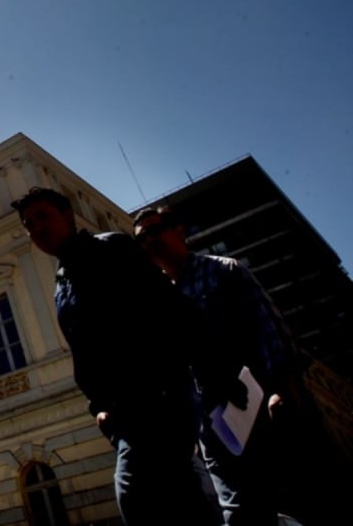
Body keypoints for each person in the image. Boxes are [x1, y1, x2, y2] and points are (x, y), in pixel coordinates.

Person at [11, 187, 224, 526]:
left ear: (67, 215)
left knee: (139, 496)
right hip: (126, 416)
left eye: (42, 217)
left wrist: (189, 385)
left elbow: (172, 309)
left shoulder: (111, 248)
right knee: (177, 501)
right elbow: (85, 355)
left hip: (159, 399)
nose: (36, 229)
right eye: (28, 224)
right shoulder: (60, 286)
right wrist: (99, 409)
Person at [134, 206, 343, 526]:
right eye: (141, 238)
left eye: (154, 231)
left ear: (179, 231)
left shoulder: (223, 271)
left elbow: (269, 331)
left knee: (297, 498)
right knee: (238, 512)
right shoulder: (158, 303)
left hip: (259, 408)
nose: (149, 241)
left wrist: (280, 391)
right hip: (213, 425)